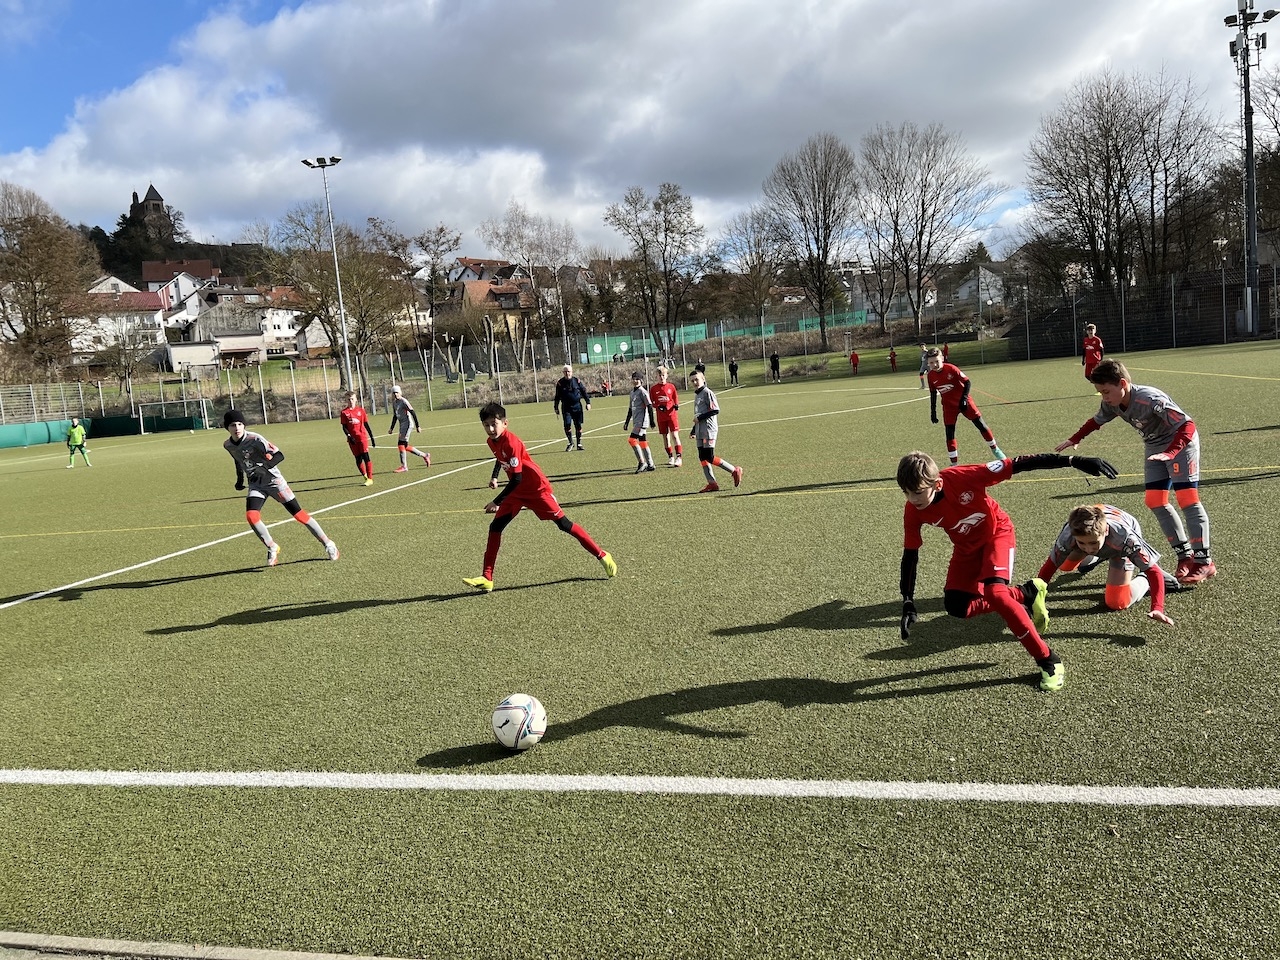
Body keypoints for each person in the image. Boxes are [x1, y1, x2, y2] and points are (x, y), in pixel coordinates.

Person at [896, 449, 1118, 692]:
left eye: (917, 492)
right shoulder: (913, 510)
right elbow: (910, 554)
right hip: (966, 549)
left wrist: (1074, 460)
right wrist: (908, 600)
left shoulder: (965, 477)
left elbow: (1019, 463)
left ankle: (1048, 660)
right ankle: (1026, 593)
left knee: (996, 594)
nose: (912, 498)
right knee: (956, 606)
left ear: (937, 484)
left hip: (997, 535)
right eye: (906, 492)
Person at [1055, 359, 1216, 585]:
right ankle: (1185, 555)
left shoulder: (1149, 399)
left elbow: (1187, 425)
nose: (1104, 397)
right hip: (1155, 447)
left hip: (1180, 444)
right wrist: (1075, 438)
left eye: (1106, 391)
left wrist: (1171, 452)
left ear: (1122, 383)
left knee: (1187, 499)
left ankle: (1204, 561)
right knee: (1155, 501)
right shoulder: (1112, 403)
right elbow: (1096, 421)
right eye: (1100, 392)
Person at [462, 402, 616, 593]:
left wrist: (496, 501)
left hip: (536, 489)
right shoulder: (491, 441)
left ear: (505, 423)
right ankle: (487, 577)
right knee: (495, 527)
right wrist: (495, 477)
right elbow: (501, 458)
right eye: (486, 425)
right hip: (516, 492)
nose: (491, 429)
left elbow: (517, 478)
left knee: (564, 525)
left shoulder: (512, 442)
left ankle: (602, 555)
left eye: (494, 424)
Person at [222, 409, 338, 565]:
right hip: (256, 484)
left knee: (299, 515)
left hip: (274, 482)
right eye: (232, 425)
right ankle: (272, 546)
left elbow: (279, 455)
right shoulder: (228, 445)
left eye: (239, 424)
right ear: (227, 428)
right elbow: (238, 459)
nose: (237, 428)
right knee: (251, 516)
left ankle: (328, 544)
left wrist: (263, 468)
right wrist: (239, 479)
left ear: (244, 425)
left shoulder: (255, 439)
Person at [1038, 504, 1178, 626]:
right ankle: (1099, 556)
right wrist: (1033, 597)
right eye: (1082, 542)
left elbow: (1153, 571)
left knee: (1116, 602)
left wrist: (1157, 608)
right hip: (1102, 522)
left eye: (1093, 543)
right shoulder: (1069, 533)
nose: (1088, 548)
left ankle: (1143, 579)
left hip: (1119, 548)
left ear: (1105, 531)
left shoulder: (1126, 539)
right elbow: (1050, 566)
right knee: (1064, 565)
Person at [925, 347, 1005, 464]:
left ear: (942, 358)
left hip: (964, 401)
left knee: (981, 425)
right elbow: (933, 393)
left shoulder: (951, 368)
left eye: (937, 361)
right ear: (928, 363)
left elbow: (967, 382)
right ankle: (954, 464)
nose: (935, 365)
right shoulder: (930, 375)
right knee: (949, 433)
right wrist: (933, 411)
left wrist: (964, 399)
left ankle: (996, 450)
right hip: (949, 407)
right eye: (931, 363)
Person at [690, 369, 743, 493]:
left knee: (709, 456)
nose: (695, 382)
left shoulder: (707, 393)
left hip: (708, 429)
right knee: (702, 456)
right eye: (692, 381)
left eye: (697, 379)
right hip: (700, 430)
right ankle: (712, 483)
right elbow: (698, 415)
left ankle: (734, 470)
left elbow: (715, 410)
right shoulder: (697, 395)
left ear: (703, 379)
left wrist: (699, 418)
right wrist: (693, 430)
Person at [387, 384, 431, 473]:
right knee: (405, 446)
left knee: (400, 444)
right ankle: (425, 455)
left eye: (397, 392)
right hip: (402, 425)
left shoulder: (404, 401)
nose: (395, 394)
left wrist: (418, 426)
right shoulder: (394, 403)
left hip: (407, 424)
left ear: (400, 393)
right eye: (394, 393)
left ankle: (404, 466)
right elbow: (395, 416)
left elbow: (413, 412)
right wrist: (391, 428)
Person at [338, 391, 376, 486]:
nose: (350, 401)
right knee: (358, 459)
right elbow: (344, 427)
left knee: (366, 457)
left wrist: (372, 437)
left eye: (352, 399)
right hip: (352, 440)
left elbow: (366, 424)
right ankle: (365, 475)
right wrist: (349, 436)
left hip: (362, 437)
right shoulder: (344, 412)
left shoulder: (361, 411)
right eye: (348, 399)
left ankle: (370, 478)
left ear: (355, 400)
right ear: (346, 400)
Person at [623, 371, 657, 473]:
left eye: (637, 379)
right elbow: (630, 409)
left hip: (641, 422)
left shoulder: (643, 392)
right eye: (633, 379)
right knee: (642, 442)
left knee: (632, 440)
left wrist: (652, 421)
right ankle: (650, 464)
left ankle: (642, 462)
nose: (635, 381)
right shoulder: (632, 393)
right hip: (636, 421)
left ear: (641, 380)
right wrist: (626, 422)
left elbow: (649, 406)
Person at [649, 365, 683, 467]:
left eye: (663, 375)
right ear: (657, 376)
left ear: (666, 375)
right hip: (661, 417)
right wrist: (658, 406)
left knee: (675, 435)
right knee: (665, 437)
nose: (661, 377)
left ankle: (679, 457)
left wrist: (676, 405)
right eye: (659, 375)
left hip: (671, 415)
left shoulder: (671, 387)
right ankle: (670, 456)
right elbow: (652, 402)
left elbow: (675, 398)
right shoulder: (653, 389)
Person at [553, 364, 592, 450]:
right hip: (566, 407)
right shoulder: (560, 383)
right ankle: (571, 443)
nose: (567, 373)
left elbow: (584, 392)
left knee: (578, 425)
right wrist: (556, 407)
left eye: (569, 371)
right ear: (563, 372)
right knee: (567, 424)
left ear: (571, 372)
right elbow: (557, 396)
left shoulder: (577, 381)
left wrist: (588, 403)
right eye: (565, 372)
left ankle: (579, 444)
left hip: (577, 406)